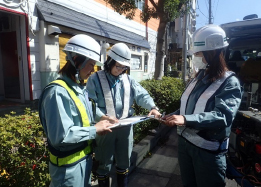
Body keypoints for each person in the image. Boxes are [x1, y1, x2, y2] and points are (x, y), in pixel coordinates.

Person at [162, 25, 243, 187]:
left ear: (212, 53)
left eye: (198, 53)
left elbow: (222, 116)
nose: (195, 57)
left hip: (207, 153)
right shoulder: (199, 77)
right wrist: (173, 115)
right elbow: (188, 106)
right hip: (185, 146)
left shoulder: (229, 82)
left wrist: (184, 119)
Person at [38, 34, 113, 187]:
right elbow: (61, 136)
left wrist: (102, 117)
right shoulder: (57, 92)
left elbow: (86, 111)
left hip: (83, 161)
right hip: (67, 171)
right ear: (77, 61)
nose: (93, 70)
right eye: (91, 64)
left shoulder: (78, 88)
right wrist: (94, 130)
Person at [86, 43, 161, 187]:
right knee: (104, 162)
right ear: (110, 61)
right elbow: (89, 105)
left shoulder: (128, 79)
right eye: (118, 66)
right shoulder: (95, 79)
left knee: (124, 161)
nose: (120, 70)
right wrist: (102, 117)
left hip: (125, 128)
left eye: (123, 67)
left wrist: (153, 107)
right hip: (105, 128)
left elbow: (141, 95)